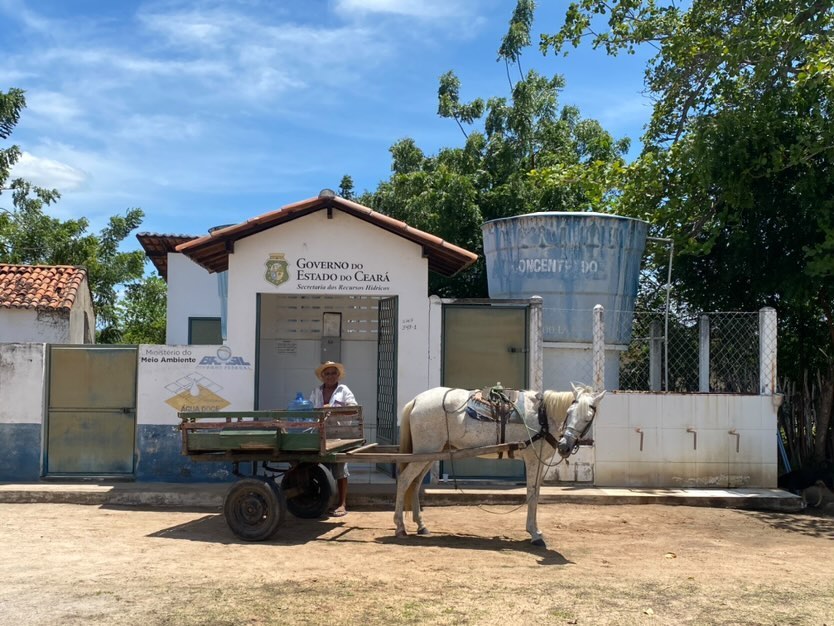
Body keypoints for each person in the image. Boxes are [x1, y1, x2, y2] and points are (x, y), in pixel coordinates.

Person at [310, 361, 356, 517]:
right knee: (321, 470)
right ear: (322, 376)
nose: (330, 376)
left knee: (340, 470)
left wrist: (332, 411)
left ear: (338, 375)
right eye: (327, 373)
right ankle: (323, 503)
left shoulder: (343, 390)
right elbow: (310, 411)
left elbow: (353, 410)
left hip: (339, 435)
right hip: (319, 435)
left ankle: (342, 504)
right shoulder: (316, 392)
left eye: (333, 373)